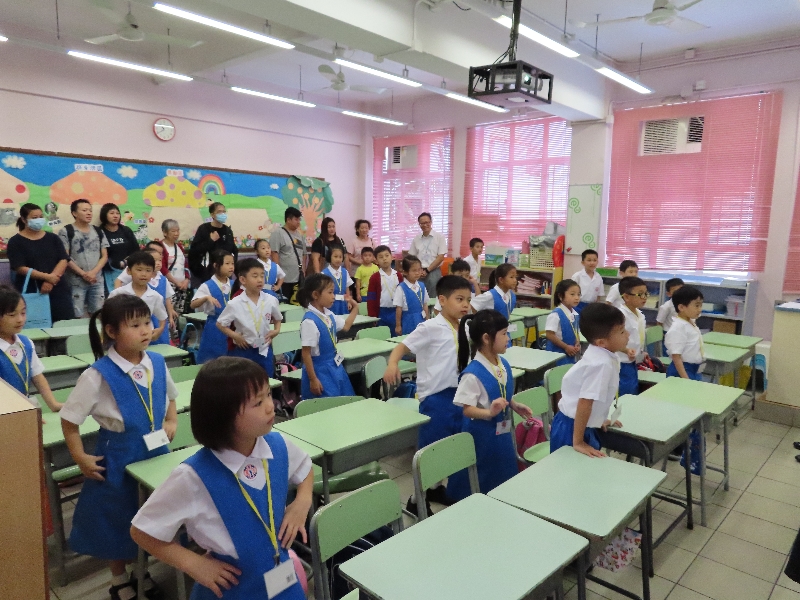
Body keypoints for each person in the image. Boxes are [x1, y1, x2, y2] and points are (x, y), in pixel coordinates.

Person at [130, 358, 312, 600]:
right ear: (222, 416)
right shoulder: (192, 476)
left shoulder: (278, 446)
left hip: (282, 580)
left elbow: (305, 469)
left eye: (269, 395)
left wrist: (302, 502)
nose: (271, 407)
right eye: (258, 403)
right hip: (232, 587)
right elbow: (141, 531)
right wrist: (194, 564)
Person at [61, 295, 178, 600]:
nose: (145, 330)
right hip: (117, 457)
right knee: (118, 518)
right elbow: (70, 420)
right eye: (135, 325)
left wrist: (172, 420)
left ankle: (141, 569)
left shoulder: (156, 361)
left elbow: (171, 395)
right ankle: (119, 579)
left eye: (147, 323)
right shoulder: (97, 374)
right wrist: (79, 457)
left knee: (149, 514)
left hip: (155, 454)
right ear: (111, 332)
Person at [383, 275, 472, 513]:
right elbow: (402, 347)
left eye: (468, 300)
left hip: (459, 395)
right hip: (436, 398)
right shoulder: (430, 327)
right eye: (459, 299)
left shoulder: (465, 327)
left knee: (450, 448)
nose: (465, 305)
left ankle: (435, 487)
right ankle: (416, 500)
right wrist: (392, 364)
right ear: (442, 300)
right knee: (431, 451)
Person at [447, 309, 532, 500]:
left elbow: (500, 392)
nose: (508, 338)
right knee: (482, 477)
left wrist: (513, 404)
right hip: (481, 436)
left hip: (501, 433)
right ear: (486, 338)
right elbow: (467, 409)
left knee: (503, 471)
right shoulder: (472, 374)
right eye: (504, 334)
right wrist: (489, 413)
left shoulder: (502, 363)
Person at [549, 303, 627, 457]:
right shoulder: (600, 364)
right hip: (572, 428)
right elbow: (585, 402)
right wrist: (578, 442)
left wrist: (598, 419)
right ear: (601, 342)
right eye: (622, 331)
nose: (628, 335)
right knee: (569, 469)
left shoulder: (603, 353)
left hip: (580, 423)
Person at [217, 258, 283, 378]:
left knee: (266, 380)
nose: (260, 280)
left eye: (262, 276)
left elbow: (278, 318)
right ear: (243, 280)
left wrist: (276, 330)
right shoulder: (235, 302)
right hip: (243, 349)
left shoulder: (271, 300)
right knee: (243, 382)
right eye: (255, 276)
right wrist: (235, 336)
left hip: (264, 349)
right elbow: (220, 324)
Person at [0, 285, 62, 412]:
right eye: (12, 315)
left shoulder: (26, 343)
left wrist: (53, 404)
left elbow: (37, 376)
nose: (20, 319)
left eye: (23, 313)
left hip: (22, 411)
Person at [7, 203, 72, 323]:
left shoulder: (53, 238)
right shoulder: (15, 242)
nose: (39, 220)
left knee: (64, 325)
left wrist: (50, 281)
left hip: (58, 289)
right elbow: (19, 267)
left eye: (41, 216)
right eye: (34, 217)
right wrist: (47, 277)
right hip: (31, 291)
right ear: (23, 219)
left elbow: (63, 259)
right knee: (36, 325)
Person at [299, 273, 359, 399]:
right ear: (315, 295)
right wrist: (313, 379)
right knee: (328, 403)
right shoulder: (309, 321)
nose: (333, 296)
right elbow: (306, 354)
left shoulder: (329, 314)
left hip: (334, 365)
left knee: (345, 400)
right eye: (330, 292)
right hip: (319, 370)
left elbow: (346, 326)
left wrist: (355, 308)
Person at [59, 199, 109, 317]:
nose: (89, 213)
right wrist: (84, 274)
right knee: (76, 314)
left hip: (96, 280)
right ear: (74, 213)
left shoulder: (98, 231)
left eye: (90, 210)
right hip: (75, 281)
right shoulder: (66, 231)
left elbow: (104, 256)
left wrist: (93, 273)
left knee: (98, 313)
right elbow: (65, 257)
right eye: (84, 210)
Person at [108, 251, 169, 342]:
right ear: (129, 271)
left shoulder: (155, 296)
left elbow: (162, 317)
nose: (143, 274)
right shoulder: (118, 294)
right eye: (139, 270)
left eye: (148, 270)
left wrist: (160, 330)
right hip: (122, 340)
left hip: (145, 339)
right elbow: (106, 315)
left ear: (152, 272)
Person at [191, 250, 235, 364]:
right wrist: (205, 298)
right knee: (212, 361)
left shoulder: (234, 284)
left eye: (232, 263)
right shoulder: (207, 285)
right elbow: (193, 304)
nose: (231, 267)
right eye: (227, 263)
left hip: (233, 326)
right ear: (216, 265)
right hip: (214, 327)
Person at [188, 202, 238, 286]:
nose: (222, 214)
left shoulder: (228, 231)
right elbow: (195, 250)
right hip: (208, 272)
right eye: (219, 212)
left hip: (225, 272)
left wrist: (231, 265)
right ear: (212, 215)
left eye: (224, 211)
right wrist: (211, 240)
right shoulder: (204, 229)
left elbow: (233, 250)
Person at [470, 263, 517, 347]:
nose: (515, 280)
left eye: (515, 277)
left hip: (505, 333)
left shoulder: (512, 295)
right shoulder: (490, 295)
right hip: (492, 336)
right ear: (501, 280)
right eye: (511, 277)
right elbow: (472, 305)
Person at [617, 277, 649, 396]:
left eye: (646, 293)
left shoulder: (640, 314)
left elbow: (638, 337)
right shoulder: (620, 315)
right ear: (626, 297)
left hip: (633, 360)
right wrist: (625, 350)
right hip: (621, 361)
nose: (644, 297)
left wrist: (641, 352)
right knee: (625, 392)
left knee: (633, 388)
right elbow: (612, 339)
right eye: (640, 294)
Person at [665, 285, 705, 380]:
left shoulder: (690, 322)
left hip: (694, 368)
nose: (700, 309)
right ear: (681, 307)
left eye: (700, 305)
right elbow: (676, 357)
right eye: (696, 305)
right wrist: (685, 379)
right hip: (682, 370)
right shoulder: (678, 327)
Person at [270, 207, 307, 305]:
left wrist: (303, 270)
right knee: (285, 305)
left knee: (297, 304)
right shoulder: (278, 233)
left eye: (299, 219)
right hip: (284, 280)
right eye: (296, 219)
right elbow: (274, 253)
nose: (298, 222)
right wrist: (278, 274)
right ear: (288, 219)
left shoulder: (299, 235)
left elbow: (303, 254)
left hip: (298, 278)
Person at [99, 203, 138, 295]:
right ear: (104, 215)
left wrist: (126, 262)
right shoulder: (99, 232)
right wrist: (115, 264)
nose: (115, 216)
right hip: (108, 272)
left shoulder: (126, 230)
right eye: (112, 213)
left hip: (128, 270)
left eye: (117, 213)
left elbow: (136, 250)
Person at [408, 212, 447, 300]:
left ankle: (432, 310)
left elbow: (440, 257)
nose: (425, 225)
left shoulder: (439, 237)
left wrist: (427, 270)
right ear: (419, 224)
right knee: (418, 296)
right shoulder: (416, 238)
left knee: (433, 297)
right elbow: (412, 257)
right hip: (419, 271)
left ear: (431, 222)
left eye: (427, 222)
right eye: (422, 223)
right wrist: (418, 270)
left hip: (434, 271)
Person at [545, 279, 582, 366]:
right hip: (556, 353)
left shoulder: (575, 314)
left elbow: (575, 331)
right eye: (572, 294)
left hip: (570, 352)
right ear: (561, 296)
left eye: (578, 294)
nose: (577, 298)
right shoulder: (555, 314)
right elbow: (549, 335)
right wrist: (565, 347)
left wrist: (577, 342)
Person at [366, 245, 402, 332]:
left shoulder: (398, 275)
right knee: (383, 334)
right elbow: (371, 298)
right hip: (381, 311)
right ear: (376, 260)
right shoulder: (374, 277)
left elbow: (403, 295)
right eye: (381, 257)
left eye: (387, 255)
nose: (384, 259)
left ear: (392, 257)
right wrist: (372, 316)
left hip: (396, 311)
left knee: (396, 335)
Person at [159, 219, 190, 314]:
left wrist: (186, 280)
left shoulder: (179, 246)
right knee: (168, 312)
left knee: (178, 312)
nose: (176, 233)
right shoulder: (160, 246)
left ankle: (176, 325)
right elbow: (162, 268)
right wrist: (176, 282)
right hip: (169, 285)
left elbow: (185, 264)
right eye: (173, 231)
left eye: (178, 230)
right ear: (165, 232)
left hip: (182, 286)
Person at [393, 255, 429, 335]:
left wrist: (427, 320)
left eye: (419, 270)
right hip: (408, 320)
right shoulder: (401, 288)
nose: (417, 273)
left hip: (421, 318)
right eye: (414, 270)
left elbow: (425, 304)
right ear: (405, 272)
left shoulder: (422, 286)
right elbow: (399, 308)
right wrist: (398, 325)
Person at [321, 245, 352, 316]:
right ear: (330, 257)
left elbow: (347, 287)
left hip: (343, 304)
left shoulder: (344, 272)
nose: (338, 259)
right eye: (335, 257)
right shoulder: (324, 273)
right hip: (331, 304)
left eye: (340, 257)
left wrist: (349, 301)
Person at [571, 249, 604, 314]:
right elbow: (571, 292)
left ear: (597, 262)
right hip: (578, 305)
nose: (592, 263)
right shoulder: (577, 276)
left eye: (594, 260)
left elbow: (599, 295)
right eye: (589, 260)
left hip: (592, 306)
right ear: (583, 262)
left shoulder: (598, 277)